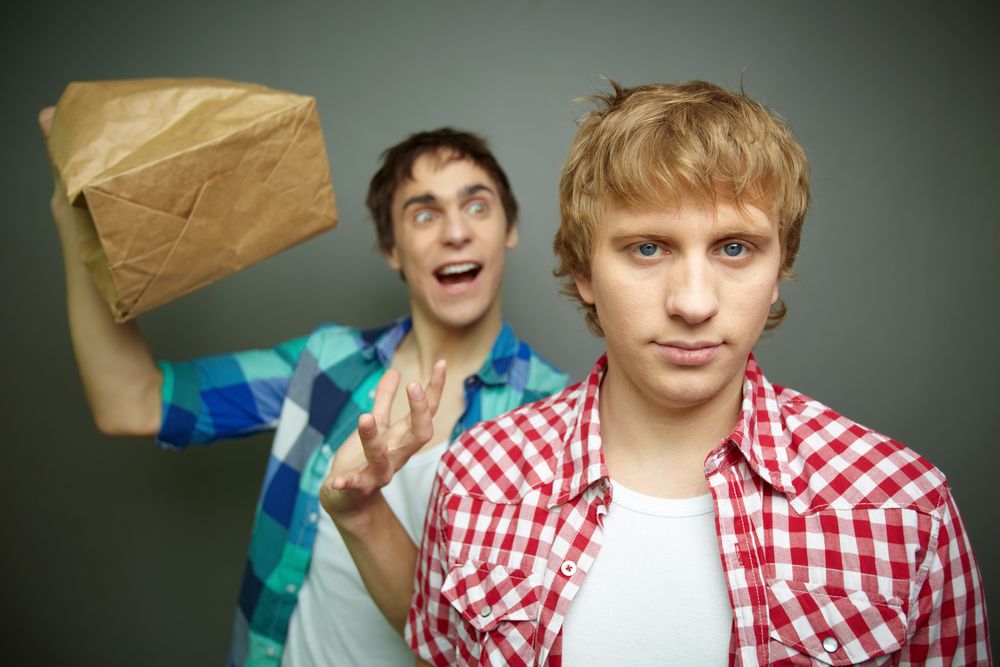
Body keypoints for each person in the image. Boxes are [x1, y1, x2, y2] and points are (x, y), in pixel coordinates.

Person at [407, 81, 991, 666]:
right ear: (583, 269)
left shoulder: (905, 510)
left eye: (734, 248)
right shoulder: (474, 479)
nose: (692, 303)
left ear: (779, 268)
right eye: (648, 249)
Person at [39, 108, 568, 667]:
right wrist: (72, 221)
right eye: (423, 214)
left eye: (477, 206)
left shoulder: (551, 418)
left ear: (508, 229)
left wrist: (362, 512)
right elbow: (135, 401)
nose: (456, 231)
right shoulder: (326, 363)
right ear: (392, 249)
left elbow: (480, 645)